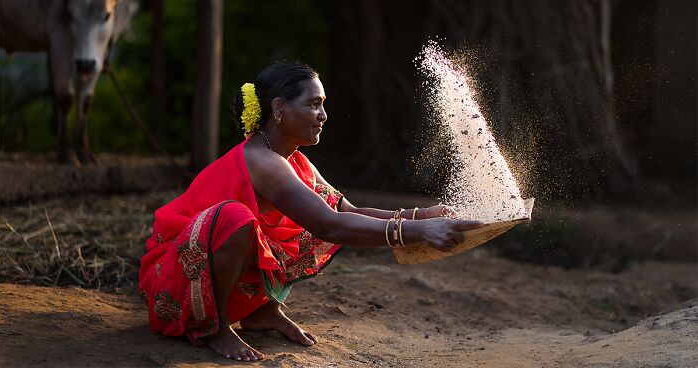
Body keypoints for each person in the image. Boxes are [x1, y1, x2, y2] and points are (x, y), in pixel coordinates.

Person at [138, 62, 482, 362]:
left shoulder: (294, 162)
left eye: (323, 105)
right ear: (279, 108)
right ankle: (213, 327)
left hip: (202, 272)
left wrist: (421, 215)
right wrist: (419, 233)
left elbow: (348, 210)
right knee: (236, 219)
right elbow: (329, 226)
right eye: (314, 104)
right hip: (173, 283)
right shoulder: (263, 162)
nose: (324, 115)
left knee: (289, 219)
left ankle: (261, 311)